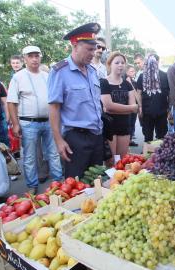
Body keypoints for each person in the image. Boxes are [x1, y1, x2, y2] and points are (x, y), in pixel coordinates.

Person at [48, 23, 104, 178]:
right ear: (75, 45)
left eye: (94, 49)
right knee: (76, 186)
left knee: (97, 182)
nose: (93, 53)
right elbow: (54, 108)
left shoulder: (92, 71)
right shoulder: (60, 71)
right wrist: (59, 140)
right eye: (89, 49)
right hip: (76, 139)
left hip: (97, 136)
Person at [8, 45, 62, 194]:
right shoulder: (18, 77)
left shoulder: (47, 75)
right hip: (28, 123)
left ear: (40, 57)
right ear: (24, 58)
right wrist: (15, 124)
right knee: (30, 157)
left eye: (36, 55)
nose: (34, 58)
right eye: (30, 56)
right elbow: (11, 102)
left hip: (49, 121)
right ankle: (32, 185)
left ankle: (58, 182)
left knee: (54, 153)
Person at [101, 51, 138, 158]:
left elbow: (134, 107)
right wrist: (129, 108)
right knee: (111, 161)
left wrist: (116, 108)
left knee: (121, 160)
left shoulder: (127, 84)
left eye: (122, 62)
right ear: (110, 64)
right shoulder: (104, 82)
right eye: (117, 62)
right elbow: (108, 106)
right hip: (109, 126)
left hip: (124, 126)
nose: (120, 65)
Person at [136, 54, 169, 142]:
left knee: (161, 137)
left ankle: (161, 155)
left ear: (158, 62)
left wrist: (169, 109)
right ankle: (147, 154)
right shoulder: (142, 76)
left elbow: (169, 94)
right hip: (147, 112)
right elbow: (138, 93)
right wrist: (140, 107)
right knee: (148, 137)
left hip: (162, 112)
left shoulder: (165, 76)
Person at [125, 65, 138, 147]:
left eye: (134, 71)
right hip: (127, 106)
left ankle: (130, 139)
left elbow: (136, 93)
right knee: (128, 124)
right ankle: (126, 141)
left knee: (132, 123)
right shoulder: (124, 82)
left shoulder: (134, 82)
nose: (134, 72)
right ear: (126, 72)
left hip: (134, 106)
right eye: (131, 71)